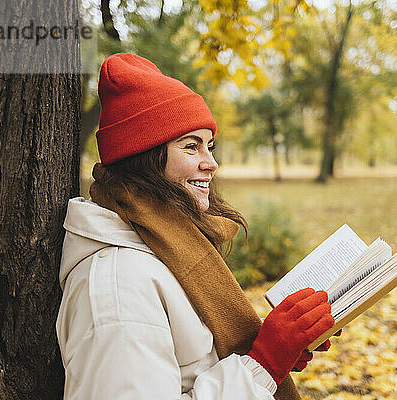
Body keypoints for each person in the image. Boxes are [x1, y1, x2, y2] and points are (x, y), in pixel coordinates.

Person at [56, 53, 336, 400]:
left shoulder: (164, 245)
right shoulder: (117, 285)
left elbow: (193, 365)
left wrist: (274, 351)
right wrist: (263, 365)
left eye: (210, 146)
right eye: (191, 146)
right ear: (145, 157)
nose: (211, 163)